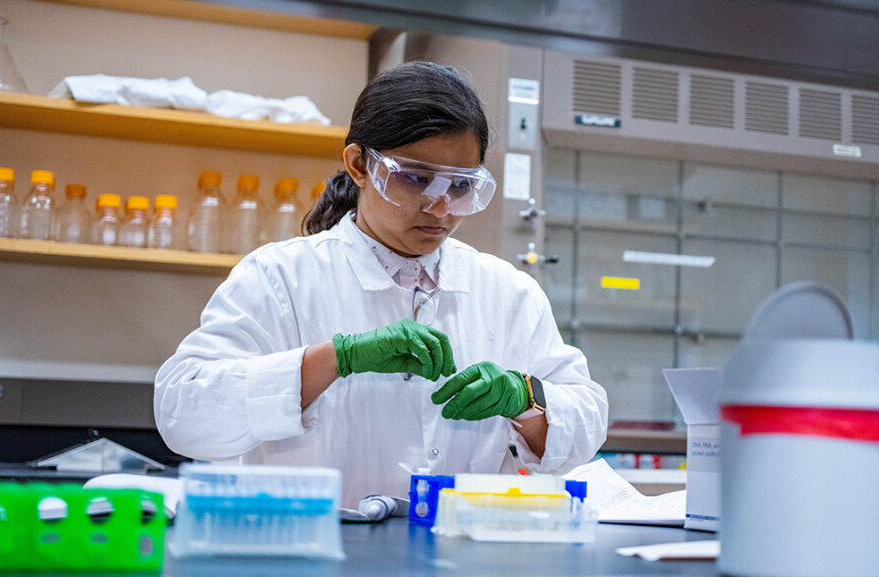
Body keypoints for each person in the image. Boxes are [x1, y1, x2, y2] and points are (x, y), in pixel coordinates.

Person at [154, 61, 608, 506]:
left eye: (460, 186)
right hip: (317, 552)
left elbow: (587, 420)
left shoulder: (509, 292)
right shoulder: (280, 277)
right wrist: (334, 358)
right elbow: (184, 414)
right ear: (359, 165)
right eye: (416, 178)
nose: (441, 208)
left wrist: (525, 398)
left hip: (458, 551)